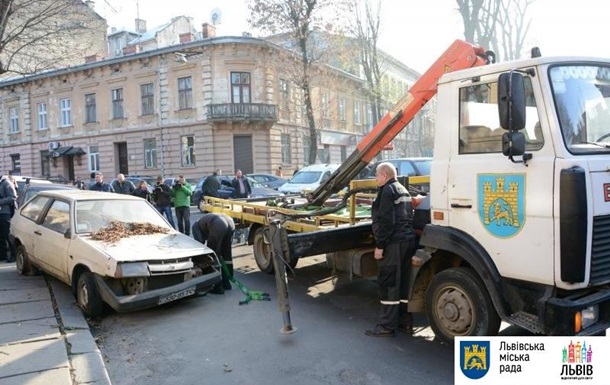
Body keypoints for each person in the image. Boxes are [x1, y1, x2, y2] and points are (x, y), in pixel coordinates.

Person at [365, 162, 417, 337]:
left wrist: (380, 246)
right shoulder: (403, 189)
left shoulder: (387, 191)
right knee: (403, 284)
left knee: (389, 283)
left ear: (385, 175)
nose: (376, 179)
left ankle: (387, 326)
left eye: (377, 176)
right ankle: (405, 322)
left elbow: (387, 222)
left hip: (394, 244)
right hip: (408, 241)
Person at [191, 213, 235, 294]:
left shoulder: (195, 226)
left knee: (212, 256)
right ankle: (227, 283)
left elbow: (200, 245)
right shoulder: (204, 221)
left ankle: (217, 286)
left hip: (218, 224)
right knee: (226, 254)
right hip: (230, 222)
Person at [0, 175, 17, 263]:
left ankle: (14, 255)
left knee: (7, 234)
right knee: (1, 236)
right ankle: (2, 255)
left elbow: (13, 197)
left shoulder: (6, 183)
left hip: (5, 213)